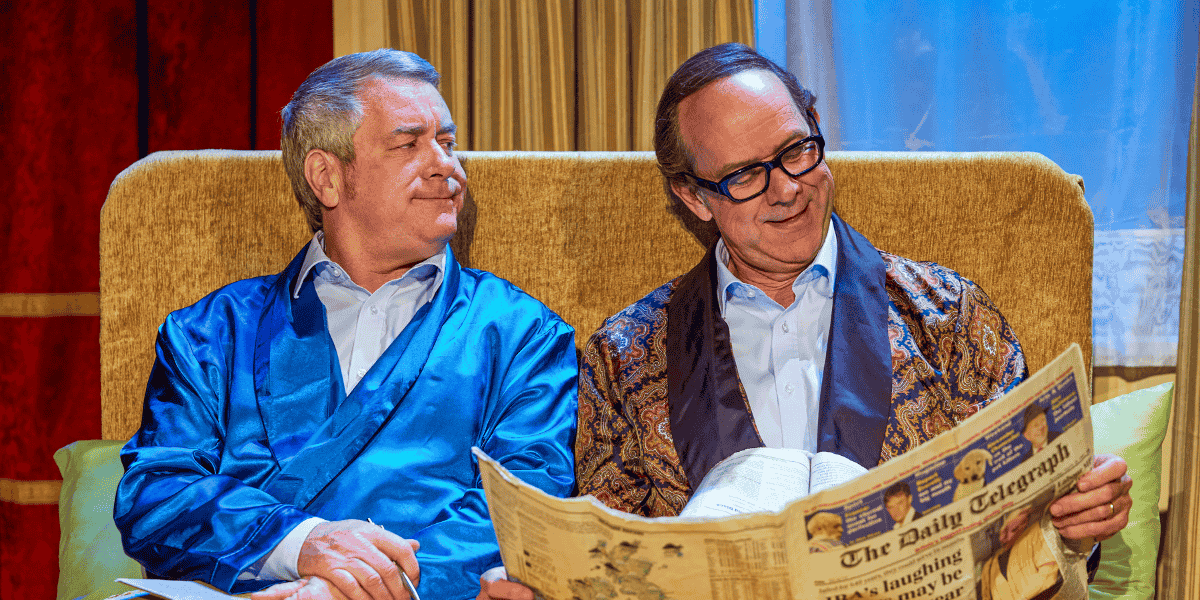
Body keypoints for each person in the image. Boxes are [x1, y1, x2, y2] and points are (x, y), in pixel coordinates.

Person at [573, 40, 1130, 561]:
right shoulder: (623, 356)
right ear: (693, 196)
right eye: (745, 175)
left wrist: (1076, 517)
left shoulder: (947, 316)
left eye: (796, 150)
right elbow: (610, 560)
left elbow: (1029, 511)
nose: (787, 188)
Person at [114, 49, 577, 600]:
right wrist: (301, 543)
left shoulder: (524, 334)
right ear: (327, 177)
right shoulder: (209, 334)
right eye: (409, 144)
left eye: (448, 143)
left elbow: (526, 506)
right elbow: (156, 494)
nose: (447, 168)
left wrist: (346, 590)